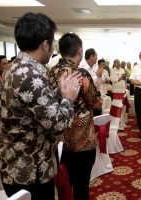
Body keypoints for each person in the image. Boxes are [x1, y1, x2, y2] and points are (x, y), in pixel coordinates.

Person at [0, 12, 81, 200]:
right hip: (29, 170)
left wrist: (60, 91)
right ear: (45, 44)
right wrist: (69, 98)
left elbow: (38, 108)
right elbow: (57, 123)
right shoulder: (30, 75)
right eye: (52, 45)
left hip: (18, 164)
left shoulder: (15, 66)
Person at [49, 32, 98, 200]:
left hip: (57, 141)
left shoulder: (49, 73)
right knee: (81, 187)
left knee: (62, 186)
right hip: (81, 142)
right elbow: (94, 102)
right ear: (80, 51)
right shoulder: (81, 74)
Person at [79, 48, 102, 116]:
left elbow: (98, 83)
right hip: (87, 99)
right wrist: (97, 76)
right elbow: (85, 84)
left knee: (98, 117)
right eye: (96, 56)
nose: (97, 58)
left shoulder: (96, 67)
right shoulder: (82, 68)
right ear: (91, 56)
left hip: (96, 96)